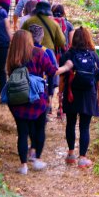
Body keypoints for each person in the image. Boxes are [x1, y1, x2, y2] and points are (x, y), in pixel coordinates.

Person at [5, 30, 58, 174]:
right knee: (40, 128)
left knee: (22, 132)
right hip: (37, 97)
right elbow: (52, 71)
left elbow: (9, 73)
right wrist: (66, 67)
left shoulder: (12, 54)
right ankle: (37, 159)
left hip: (17, 97)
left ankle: (23, 165)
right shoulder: (38, 53)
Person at [58, 27, 99, 168]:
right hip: (88, 95)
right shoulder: (94, 56)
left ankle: (71, 154)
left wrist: (60, 94)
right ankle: (83, 158)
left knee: (70, 123)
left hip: (71, 93)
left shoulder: (68, 55)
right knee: (84, 126)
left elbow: (62, 78)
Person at [26, 24, 58, 161]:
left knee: (29, 120)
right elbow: (52, 74)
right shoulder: (47, 52)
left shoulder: (23, 50)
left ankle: (31, 148)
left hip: (25, 90)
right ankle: (35, 150)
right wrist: (50, 93)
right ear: (42, 37)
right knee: (40, 122)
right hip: (41, 91)